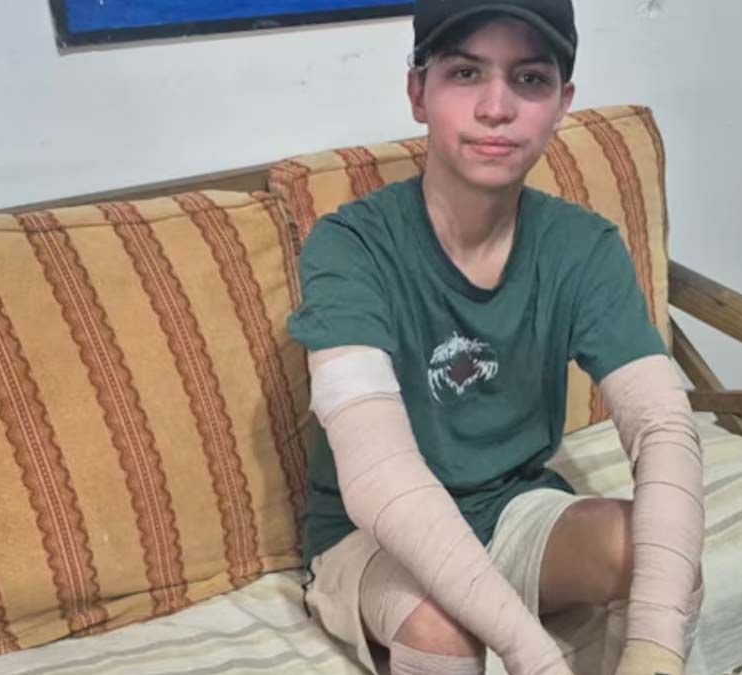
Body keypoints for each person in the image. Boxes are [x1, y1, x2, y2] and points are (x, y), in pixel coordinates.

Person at [288, 2, 704, 673]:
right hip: (374, 538)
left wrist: (656, 650)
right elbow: (378, 477)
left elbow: (664, 427)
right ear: (418, 92)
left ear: (562, 103)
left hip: (511, 510)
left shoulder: (582, 246)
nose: (496, 108)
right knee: (440, 629)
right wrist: (533, 656)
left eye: (529, 79)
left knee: (661, 557)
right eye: (465, 73)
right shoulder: (351, 246)